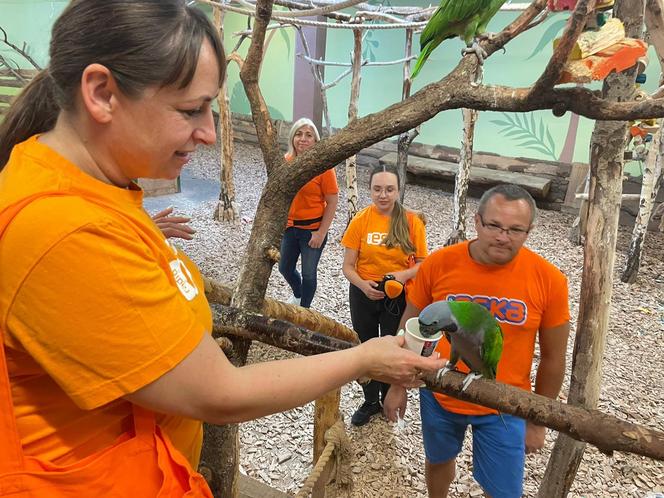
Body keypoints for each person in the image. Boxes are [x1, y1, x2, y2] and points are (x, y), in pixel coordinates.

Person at [0, 1, 445, 495]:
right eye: (191, 109)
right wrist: (364, 359)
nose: (210, 132)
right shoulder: (66, 230)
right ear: (102, 94)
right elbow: (218, 391)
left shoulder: (88, 189)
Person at [384, 184, 571, 498]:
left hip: (506, 403)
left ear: (529, 231)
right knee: (439, 459)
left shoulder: (549, 280)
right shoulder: (439, 264)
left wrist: (538, 421)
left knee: (503, 490)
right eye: (494, 225)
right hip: (441, 391)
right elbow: (411, 325)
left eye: (515, 230)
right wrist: (397, 383)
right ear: (477, 221)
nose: (502, 236)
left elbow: (554, 358)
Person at [341, 164, 429, 426]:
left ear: (398, 190)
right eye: (377, 189)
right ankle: (370, 400)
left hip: (398, 293)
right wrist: (362, 285)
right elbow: (347, 266)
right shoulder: (361, 220)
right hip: (364, 291)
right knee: (366, 345)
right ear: (369, 190)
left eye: (389, 189)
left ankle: (389, 395)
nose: (383, 195)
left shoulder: (412, 221)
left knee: (393, 345)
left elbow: (424, 263)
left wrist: (402, 276)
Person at [278, 118, 338, 308]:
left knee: (309, 274)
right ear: (292, 137)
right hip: (290, 228)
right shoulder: (286, 162)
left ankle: (304, 310)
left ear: (315, 140)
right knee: (284, 268)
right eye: (299, 134)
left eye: (308, 135)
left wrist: (321, 233)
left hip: (312, 230)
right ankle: (298, 294)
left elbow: (332, 201)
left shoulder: (324, 167)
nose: (303, 139)